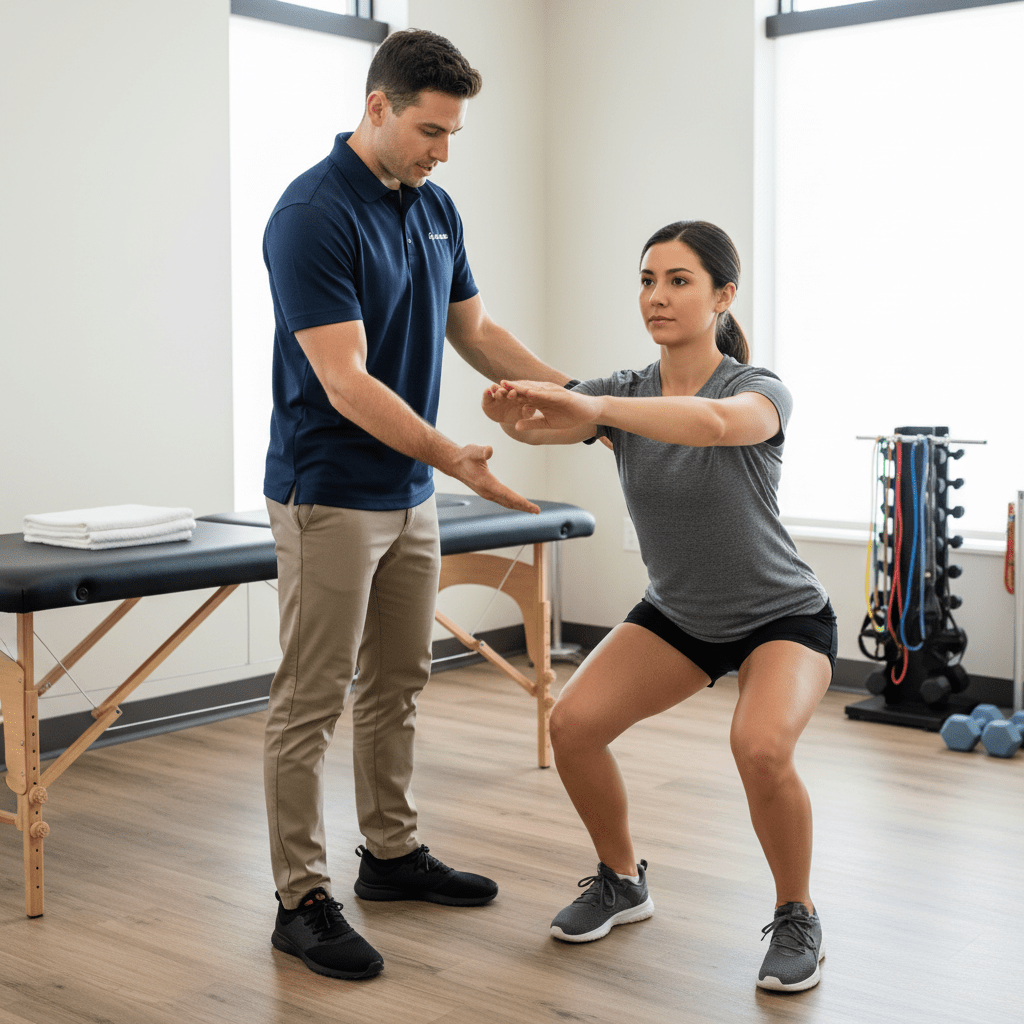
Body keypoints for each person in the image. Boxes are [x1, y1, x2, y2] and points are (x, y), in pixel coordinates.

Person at [261, 29, 576, 981]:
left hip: (409, 491)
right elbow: (347, 382)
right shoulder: (312, 215)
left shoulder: (434, 208)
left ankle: (389, 856)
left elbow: (476, 332)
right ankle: (300, 897)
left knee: (400, 680)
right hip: (331, 493)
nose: (442, 150)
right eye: (430, 130)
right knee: (311, 699)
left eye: (453, 134)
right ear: (377, 107)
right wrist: (455, 457)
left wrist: (588, 400)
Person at [483, 220, 837, 993]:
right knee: (572, 726)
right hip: (679, 615)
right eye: (648, 280)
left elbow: (710, 427)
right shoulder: (627, 392)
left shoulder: (755, 388)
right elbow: (552, 421)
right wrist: (519, 417)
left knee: (761, 748)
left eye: (679, 280)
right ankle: (621, 878)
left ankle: (797, 912)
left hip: (781, 614)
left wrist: (595, 408)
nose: (658, 296)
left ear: (723, 295)